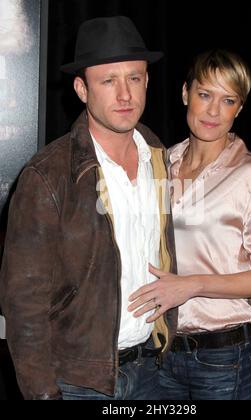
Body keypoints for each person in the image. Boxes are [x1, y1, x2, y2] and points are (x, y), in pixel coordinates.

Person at [0, 16, 177, 400]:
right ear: (82, 89)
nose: (125, 94)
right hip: (79, 383)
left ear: (147, 81)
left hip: (152, 372)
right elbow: (23, 305)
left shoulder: (159, 156)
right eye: (108, 80)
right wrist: (44, 395)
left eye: (134, 77)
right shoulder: (47, 176)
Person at [128, 49, 251, 400]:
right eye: (205, 95)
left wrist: (192, 285)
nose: (214, 111)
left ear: (240, 108)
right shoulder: (158, 162)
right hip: (158, 352)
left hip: (222, 359)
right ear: (186, 93)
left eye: (228, 100)